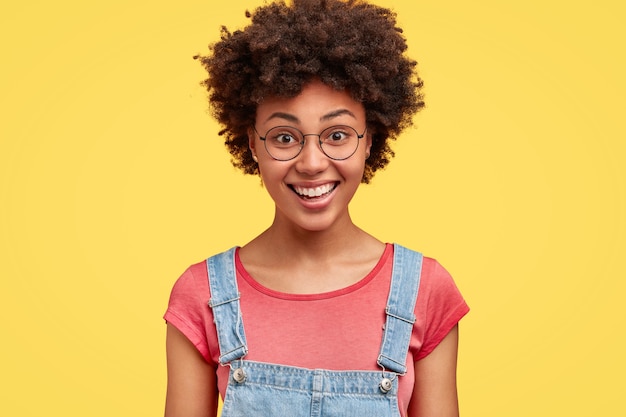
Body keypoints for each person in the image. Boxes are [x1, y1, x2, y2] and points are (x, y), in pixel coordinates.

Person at [163, 0, 469, 416]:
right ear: (252, 143)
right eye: (285, 137)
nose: (311, 163)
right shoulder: (203, 295)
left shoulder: (424, 290)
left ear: (370, 140)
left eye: (337, 134)